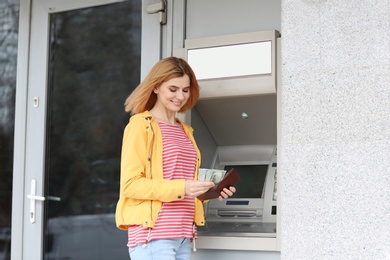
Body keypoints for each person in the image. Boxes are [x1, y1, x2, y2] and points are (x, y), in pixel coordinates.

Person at [115, 56, 236, 260]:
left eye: (185, 90)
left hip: (182, 234)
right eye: (173, 89)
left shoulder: (185, 131)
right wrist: (184, 187)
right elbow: (130, 185)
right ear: (156, 87)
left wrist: (212, 191)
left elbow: (183, 186)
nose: (180, 96)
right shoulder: (140, 126)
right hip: (153, 236)